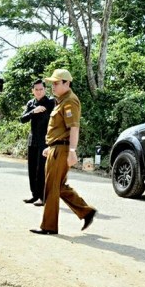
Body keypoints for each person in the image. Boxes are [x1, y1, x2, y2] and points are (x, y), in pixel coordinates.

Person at [30, 69, 96, 235]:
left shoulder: (70, 101)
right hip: (56, 147)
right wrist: (50, 147)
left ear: (67, 83)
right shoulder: (61, 100)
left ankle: (48, 226)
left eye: (57, 83)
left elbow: (74, 127)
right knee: (59, 186)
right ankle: (86, 211)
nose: (53, 86)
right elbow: (60, 129)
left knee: (52, 187)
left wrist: (72, 150)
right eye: (52, 83)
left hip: (62, 149)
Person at [20, 79, 54, 206]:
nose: (39, 91)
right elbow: (22, 119)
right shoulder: (31, 103)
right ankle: (34, 195)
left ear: (45, 90)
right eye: (36, 89)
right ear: (32, 91)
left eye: (41, 89)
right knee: (32, 169)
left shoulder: (51, 102)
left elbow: (55, 121)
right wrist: (33, 111)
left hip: (45, 141)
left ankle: (42, 197)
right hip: (32, 140)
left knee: (41, 170)